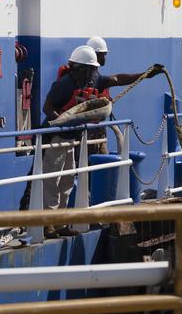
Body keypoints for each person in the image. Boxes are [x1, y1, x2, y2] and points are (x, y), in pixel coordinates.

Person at [39, 46, 150, 227]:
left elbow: (117, 79)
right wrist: (62, 121)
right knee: (52, 181)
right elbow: (47, 107)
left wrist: (145, 75)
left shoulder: (92, 79)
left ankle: (60, 224)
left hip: (70, 138)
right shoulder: (65, 84)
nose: (94, 72)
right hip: (55, 139)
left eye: (94, 69)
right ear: (79, 68)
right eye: (91, 69)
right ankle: (48, 225)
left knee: (67, 182)